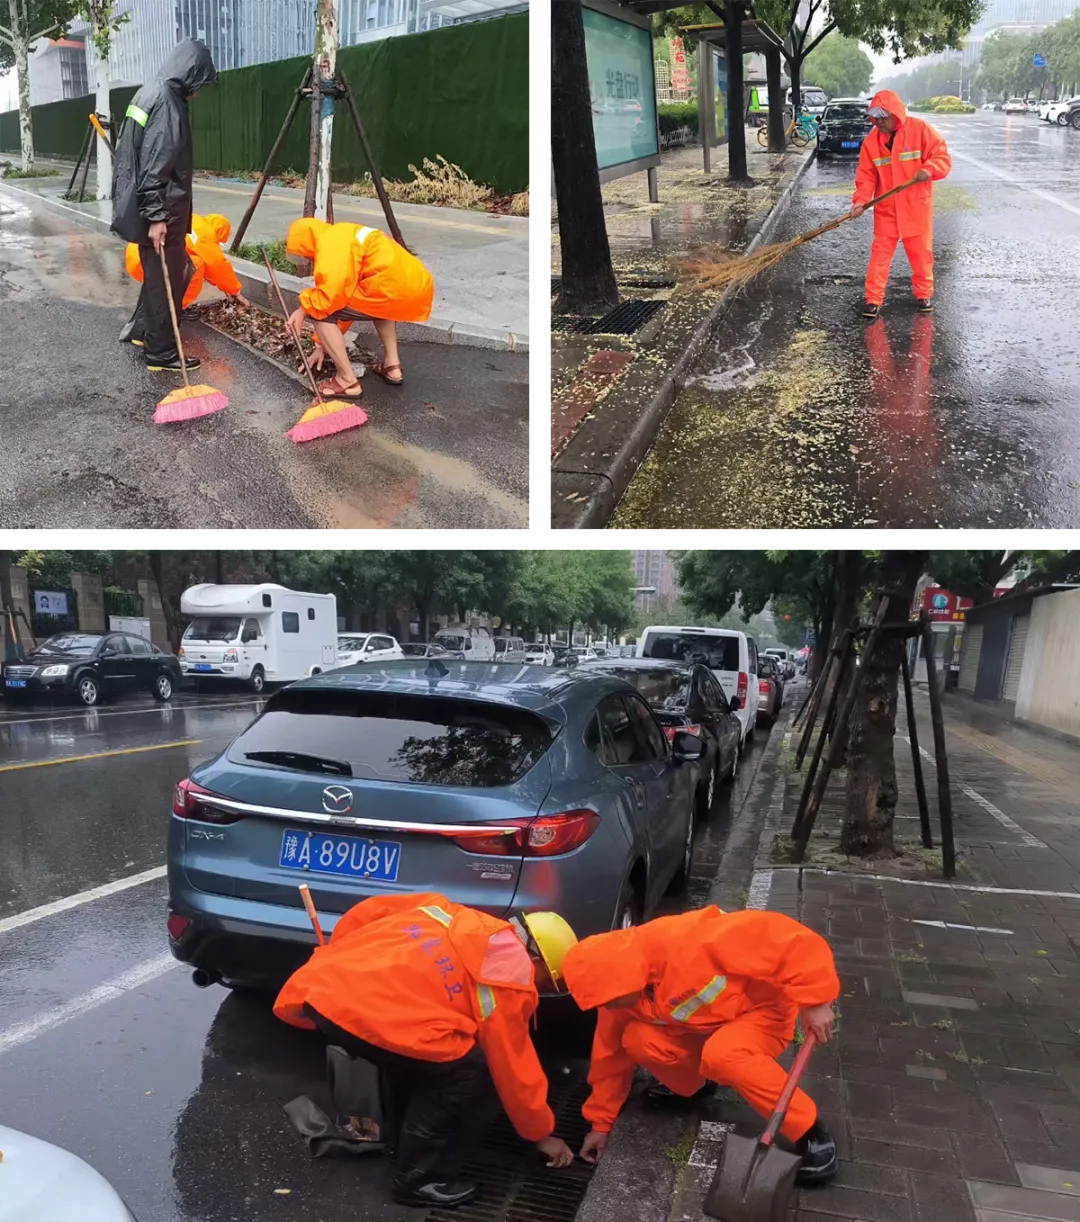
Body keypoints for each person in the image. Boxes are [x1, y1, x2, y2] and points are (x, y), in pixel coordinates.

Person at [274, 893, 578, 1209]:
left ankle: (399, 1144)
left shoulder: (451, 913)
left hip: (324, 986)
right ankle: (419, 1181)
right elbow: (514, 1069)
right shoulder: (509, 982)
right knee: (462, 1068)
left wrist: (342, 955)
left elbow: (367, 912)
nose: (539, 988)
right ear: (539, 961)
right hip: (363, 1011)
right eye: (547, 981)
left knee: (422, 1055)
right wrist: (540, 1133)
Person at [561, 906, 841, 1184]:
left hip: (761, 1014)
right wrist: (601, 1123)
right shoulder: (618, 993)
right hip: (702, 1028)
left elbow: (791, 940)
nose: (607, 1007)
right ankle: (696, 1087)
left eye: (608, 999)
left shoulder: (694, 939)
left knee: (724, 1054)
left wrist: (816, 1001)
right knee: (638, 1040)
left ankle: (811, 1133)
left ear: (623, 979)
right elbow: (609, 1058)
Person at [111, 38, 218, 372]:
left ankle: (144, 331)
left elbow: (132, 156)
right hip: (160, 211)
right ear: (189, 73)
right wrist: (158, 217)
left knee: (171, 272)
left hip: (139, 205)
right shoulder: (168, 103)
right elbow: (157, 164)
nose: (198, 91)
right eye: (199, 82)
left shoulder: (148, 92)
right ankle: (161, 352)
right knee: (168, 279)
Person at [283, 217, 435, 401]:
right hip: (416, 285)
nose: (307, 258)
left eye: (303, 253)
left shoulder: (330, 243)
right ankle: (392, 366)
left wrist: (302, 310)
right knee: (378, 306)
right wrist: (322, 345)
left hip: (389, 289)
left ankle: (346, 381)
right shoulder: (345, 232)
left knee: (320, 314)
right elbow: (349, 300)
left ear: (306, 240)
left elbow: (328, 300)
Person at [850, 89, 951, 320]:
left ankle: (923, 295)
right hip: (887, 211)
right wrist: (860, 201)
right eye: (875, 119)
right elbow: (866, 176)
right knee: (879, 257)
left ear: (896, 114)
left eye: (883, 118)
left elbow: (941, 156)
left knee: (921, 256)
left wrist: (929, 170)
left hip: (916, 208)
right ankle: (873, 300)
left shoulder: (920, 130)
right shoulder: (871, 143)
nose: (878, 123)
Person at [122, 213, 249, 340]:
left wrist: (223, 286)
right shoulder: (205, 233)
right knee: (196, 266)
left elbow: (211, 269)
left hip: (139, 259)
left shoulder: (195, 220)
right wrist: (235, 291)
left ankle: (164, 307)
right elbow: (217, 265)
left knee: (189, 262)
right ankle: (177, 308)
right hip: (151, 263)